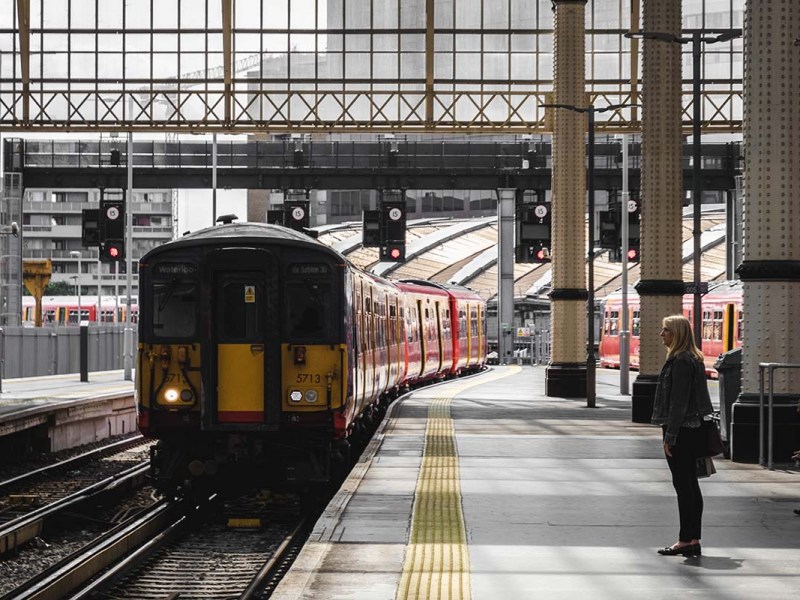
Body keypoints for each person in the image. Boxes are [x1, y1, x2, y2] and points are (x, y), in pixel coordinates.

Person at [651, 314, 714, 557]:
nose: (661, 334)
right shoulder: (693, 359)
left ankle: (685, 540)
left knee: (684, 486)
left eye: (665, 330)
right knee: (691, 485)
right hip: (693, 428)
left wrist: (671, 436)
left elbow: (678, 403)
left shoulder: (681, 362)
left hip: (682, 431)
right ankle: (693, 538)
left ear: (676, 333)